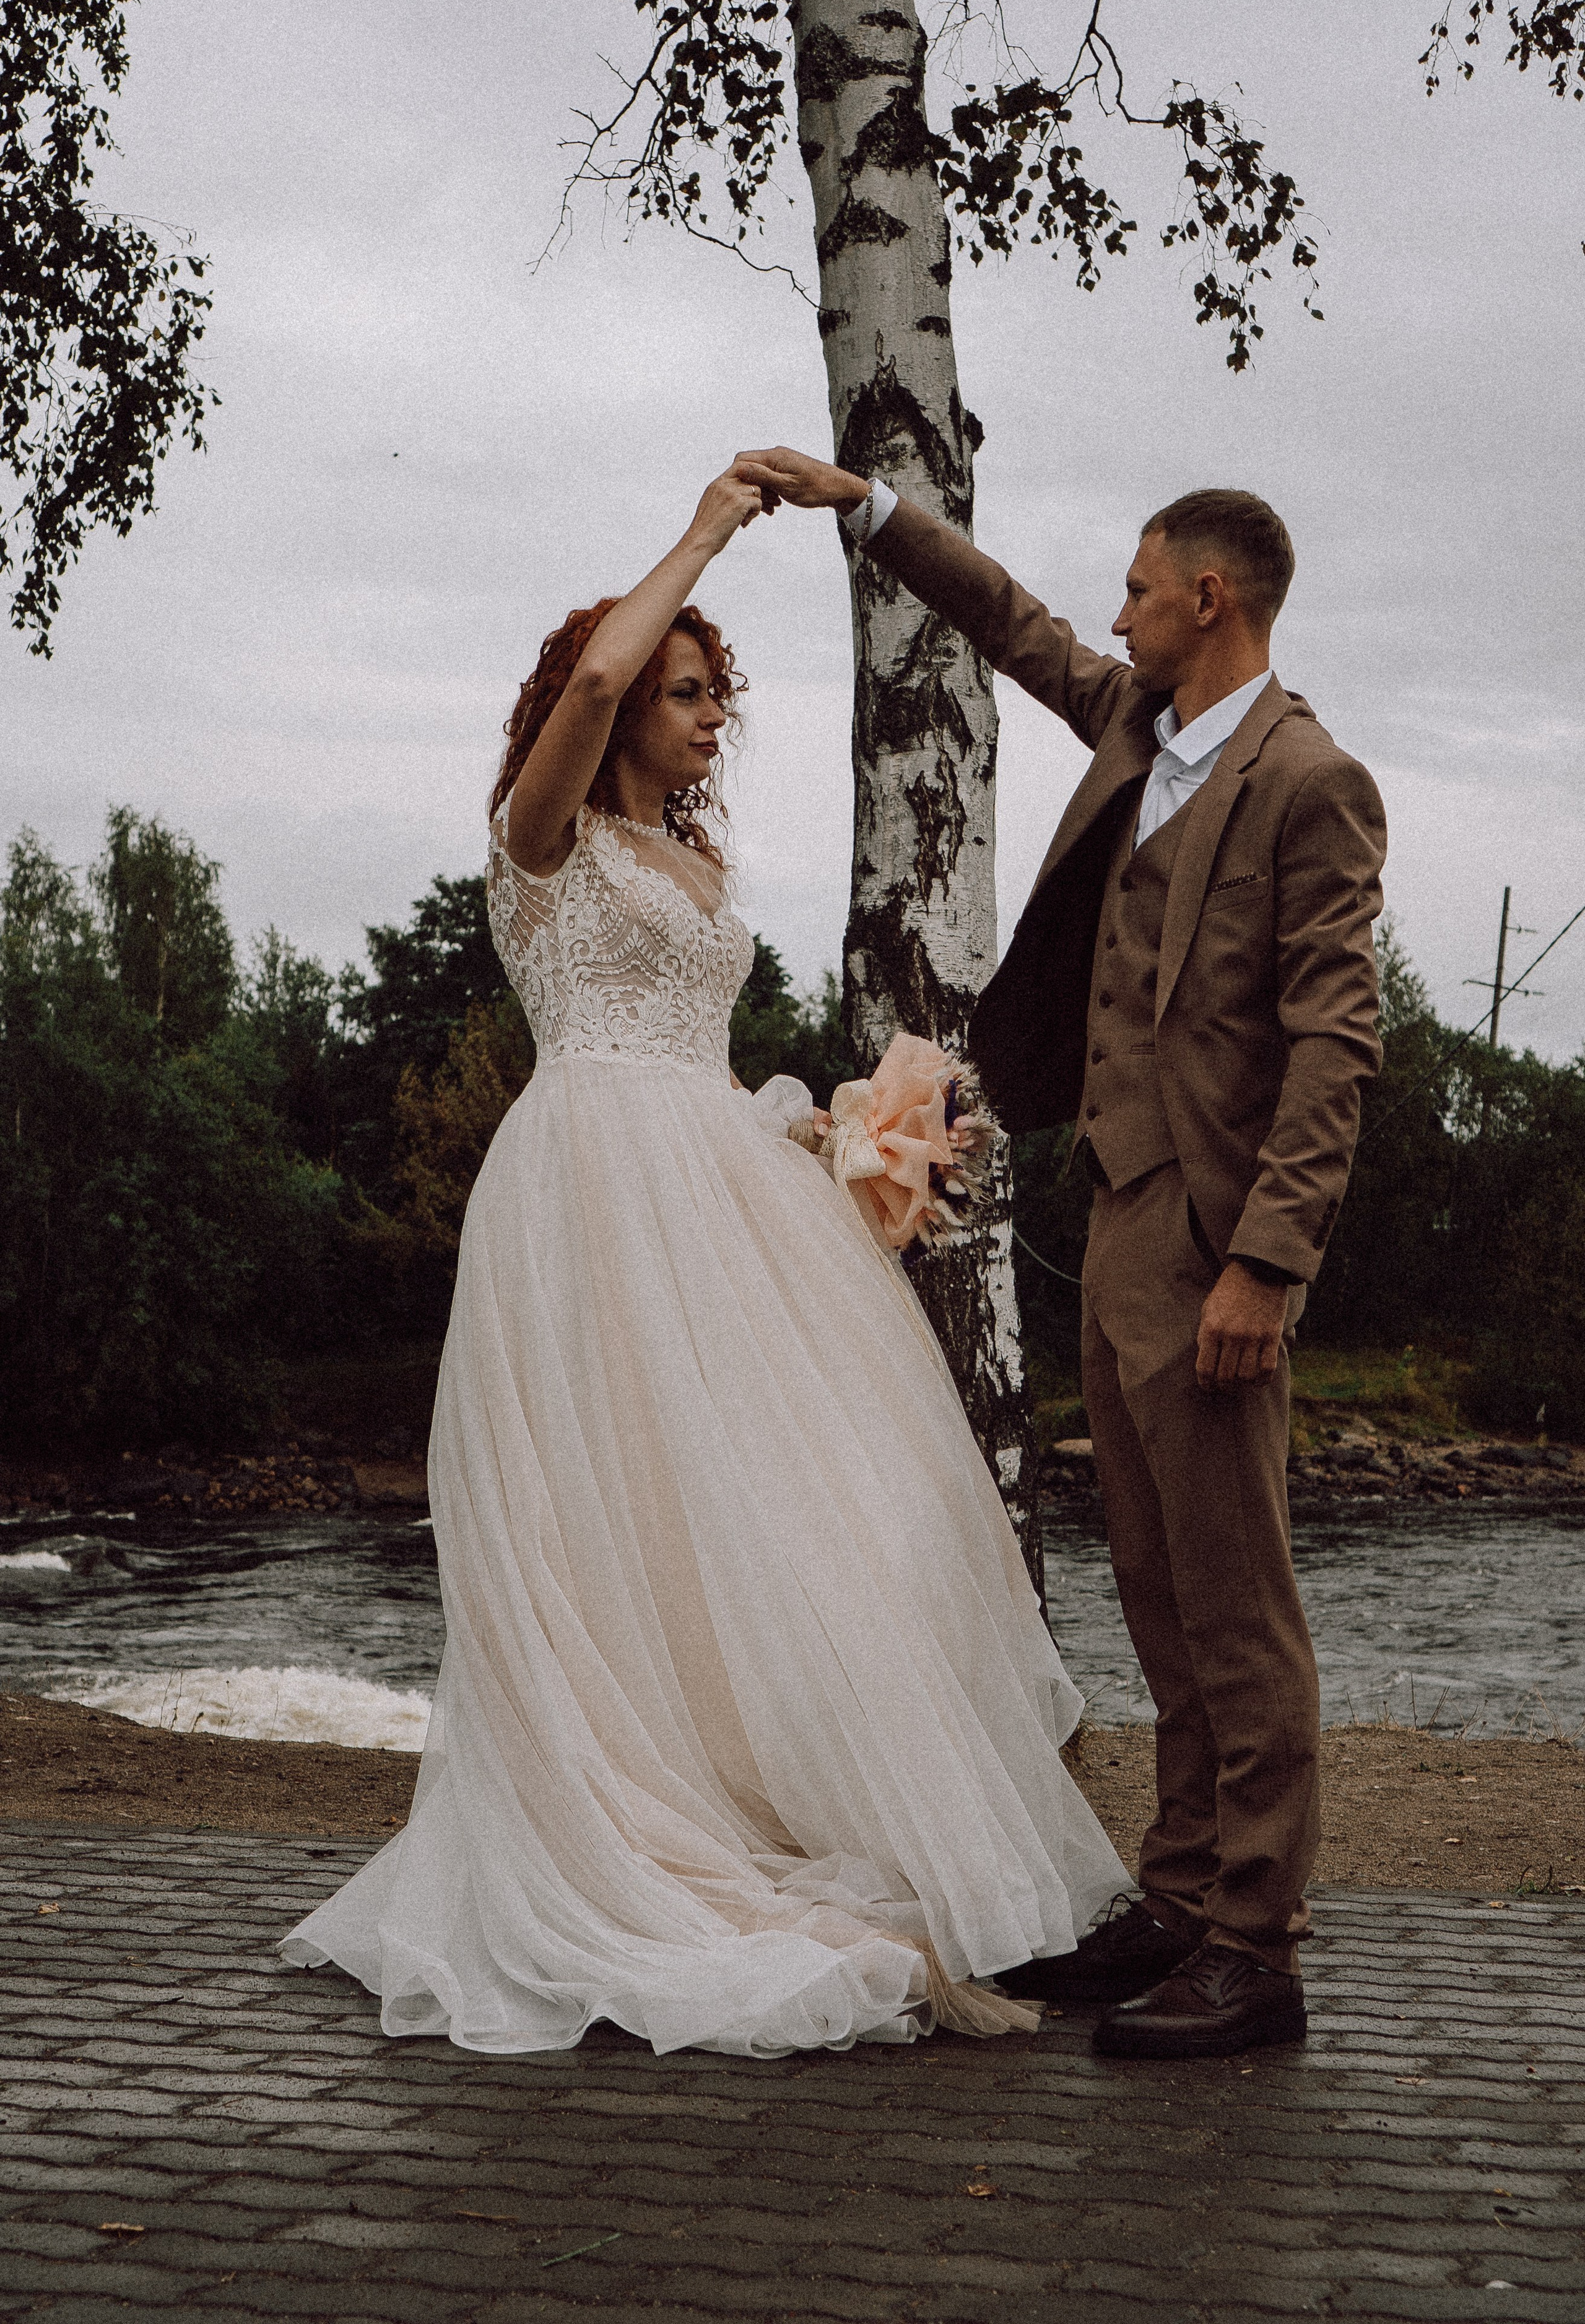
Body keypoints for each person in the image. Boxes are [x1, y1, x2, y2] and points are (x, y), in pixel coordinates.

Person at [282, 466, 1130, 2057]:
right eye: (683, 692)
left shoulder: (700, 870)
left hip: (716, 1184)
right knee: (604, 1514)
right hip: (589, 1189)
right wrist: (708, 528)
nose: (700, 716)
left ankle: (781, 1813)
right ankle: (661, 1857)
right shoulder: (537, 843)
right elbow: (600, 669)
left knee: (774, 1514)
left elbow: (702, 1043)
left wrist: (827, 1144)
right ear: (602, 708)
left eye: (709, 695)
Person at [732, 446, 1386, 2059]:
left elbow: (1335, 1046)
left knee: (1242, 1608)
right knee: (1160, 1593)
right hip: (1111, 1215)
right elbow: (1014, 623)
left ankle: (1259, 1947)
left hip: (1215, 1240)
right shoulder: (1137, 727)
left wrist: (1267, 1267)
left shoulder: (1309, 784)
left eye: (1143, 588)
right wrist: (864, 509)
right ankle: (1177, 1901)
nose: (1120, 611)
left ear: (1208, 600)